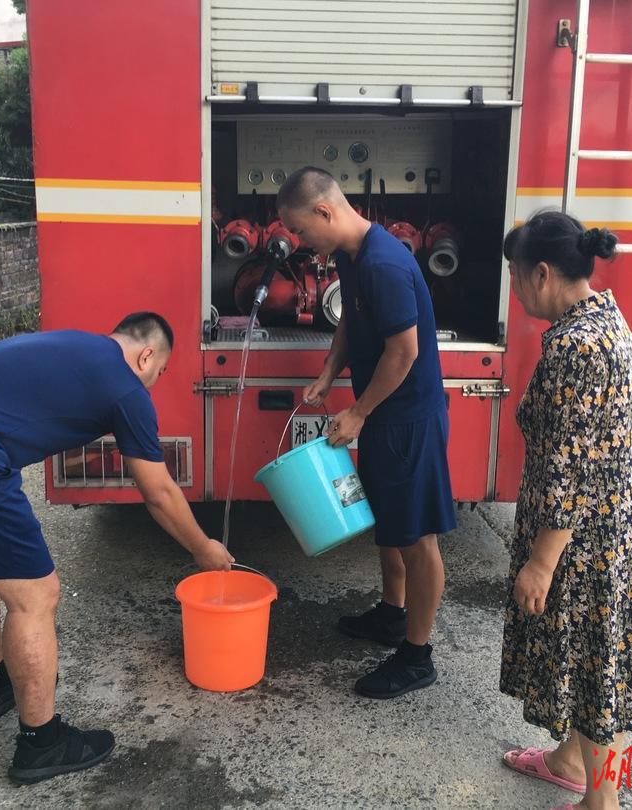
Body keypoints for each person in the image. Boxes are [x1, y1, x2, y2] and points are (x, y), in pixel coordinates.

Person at [0, 313, 233, 784]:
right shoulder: (125, 387)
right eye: (158, 373)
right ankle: (42, 743)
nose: (153, 385)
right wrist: (203, 548)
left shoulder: (76, 347)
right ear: (146, 356)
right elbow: (158, 492)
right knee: (35, 595)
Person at [277, 167, 455, 699]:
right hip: (383, 415)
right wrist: (331, 370)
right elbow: (353, 323)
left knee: (418, 537)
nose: (303, 243)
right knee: (389, 521)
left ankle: (417, 655)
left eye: (303, 231)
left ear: (325, 212)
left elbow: (405, 352)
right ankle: (391, 613)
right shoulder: (351, 258)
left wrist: (357, 411)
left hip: (408, 419)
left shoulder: (383, 263)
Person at [497, 212, 632, 810]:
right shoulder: (606, 319)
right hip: (611, 523)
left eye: (515, 277)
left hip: (582, 536)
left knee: (590, 660)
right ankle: (568, 760)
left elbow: (567, 464)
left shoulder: (574, 347)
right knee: (598, 650)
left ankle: (601, 802)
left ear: (541, 273)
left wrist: (541, 562)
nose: (513, 291)